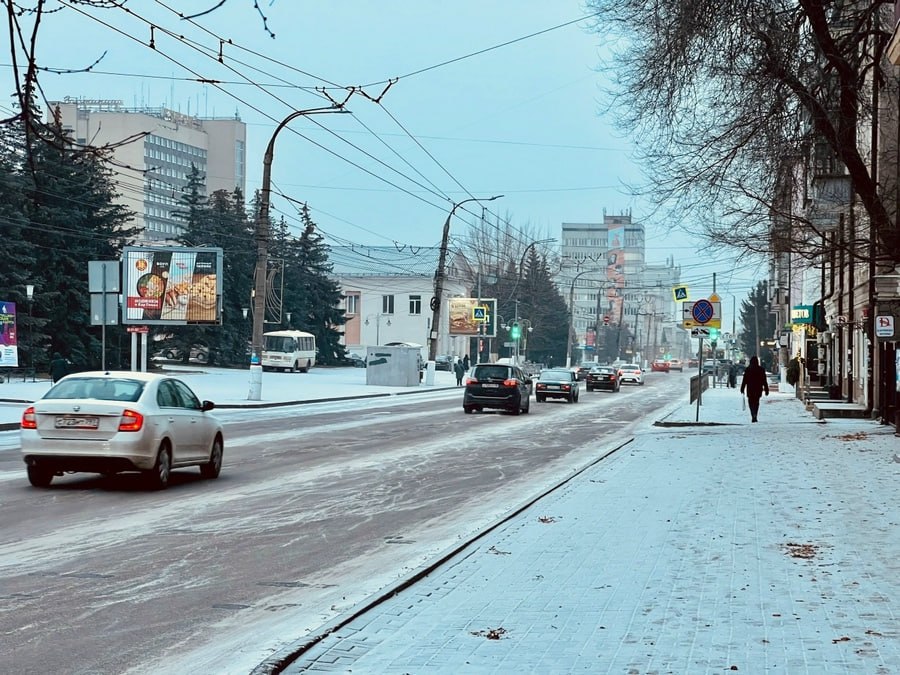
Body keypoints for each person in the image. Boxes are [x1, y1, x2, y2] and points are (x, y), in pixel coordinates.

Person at [740, 355, 769, 423]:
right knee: (756, 402)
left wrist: (742, 388)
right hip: (758, 388)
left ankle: (753, 414)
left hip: (750, 388)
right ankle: (755, 413)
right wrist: (766, 389)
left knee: (751, 402)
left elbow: (744, 380)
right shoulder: (761, 370)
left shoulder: (748, 369)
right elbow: (764, 380)